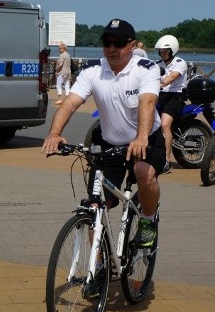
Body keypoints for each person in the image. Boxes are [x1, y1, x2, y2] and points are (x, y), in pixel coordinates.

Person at [42, 18, 164, 248]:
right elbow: (69, 103)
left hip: (146, 139)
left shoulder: (145, 69)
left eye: (117, 43)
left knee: (143, 171)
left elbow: (147, 102)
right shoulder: (93, 70)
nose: (111, 49)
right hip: (109, 143)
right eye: (106, 43)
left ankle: (148, 221)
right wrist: (54, 133)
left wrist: (141, 137)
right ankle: (98, 268)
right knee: (94, 207)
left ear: (132, 45)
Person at [155, 34, 187, 174]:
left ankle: (167, 161)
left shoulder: (180, 63)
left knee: (164, 125)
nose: (162, 53)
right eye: (160, 51)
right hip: (160, 95)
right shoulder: (158, 65)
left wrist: (162, 83)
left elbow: (171, 78)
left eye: (164, 51)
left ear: (172, 50)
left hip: (176, 96)